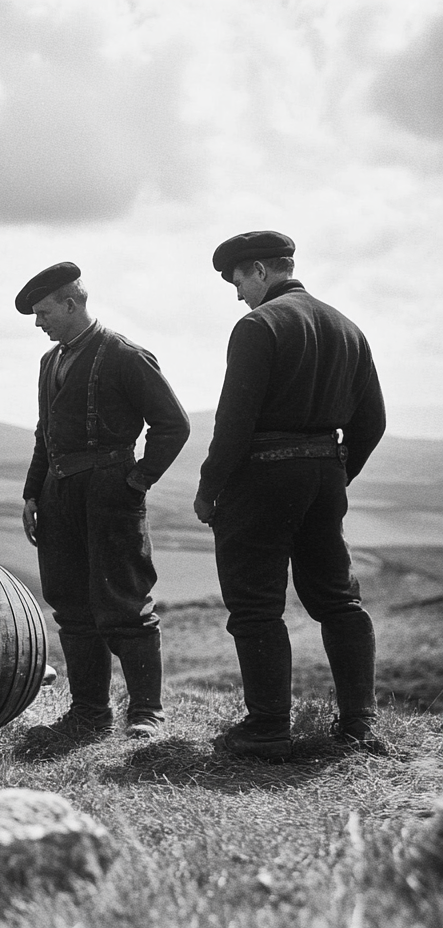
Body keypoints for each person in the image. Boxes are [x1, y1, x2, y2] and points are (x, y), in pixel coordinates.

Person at [195, 231, 387, 760]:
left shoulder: (258, 326)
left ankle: (268, 729)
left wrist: (210, 488)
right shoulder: (348, 327)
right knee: (338, 599)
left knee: (255, 606)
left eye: (238, 281)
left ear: (259, 271)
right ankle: (358, 723)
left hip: (261, 480)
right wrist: (335, 475)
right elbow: (373, 421)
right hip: (325, 476)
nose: (237, 294)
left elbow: (235, 421)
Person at [17, 262, 190, 739]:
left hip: (110, 493)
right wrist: (33, 492)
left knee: (125, 602)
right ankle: (89, 711)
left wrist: (136, 482)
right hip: (57, 495)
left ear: (72, 303)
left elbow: (173, 425)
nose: (39, 323)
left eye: (44, 311)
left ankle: (146, 713)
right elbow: (44, 434)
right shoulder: (49, 362)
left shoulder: (124, 355)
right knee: (70, 604)